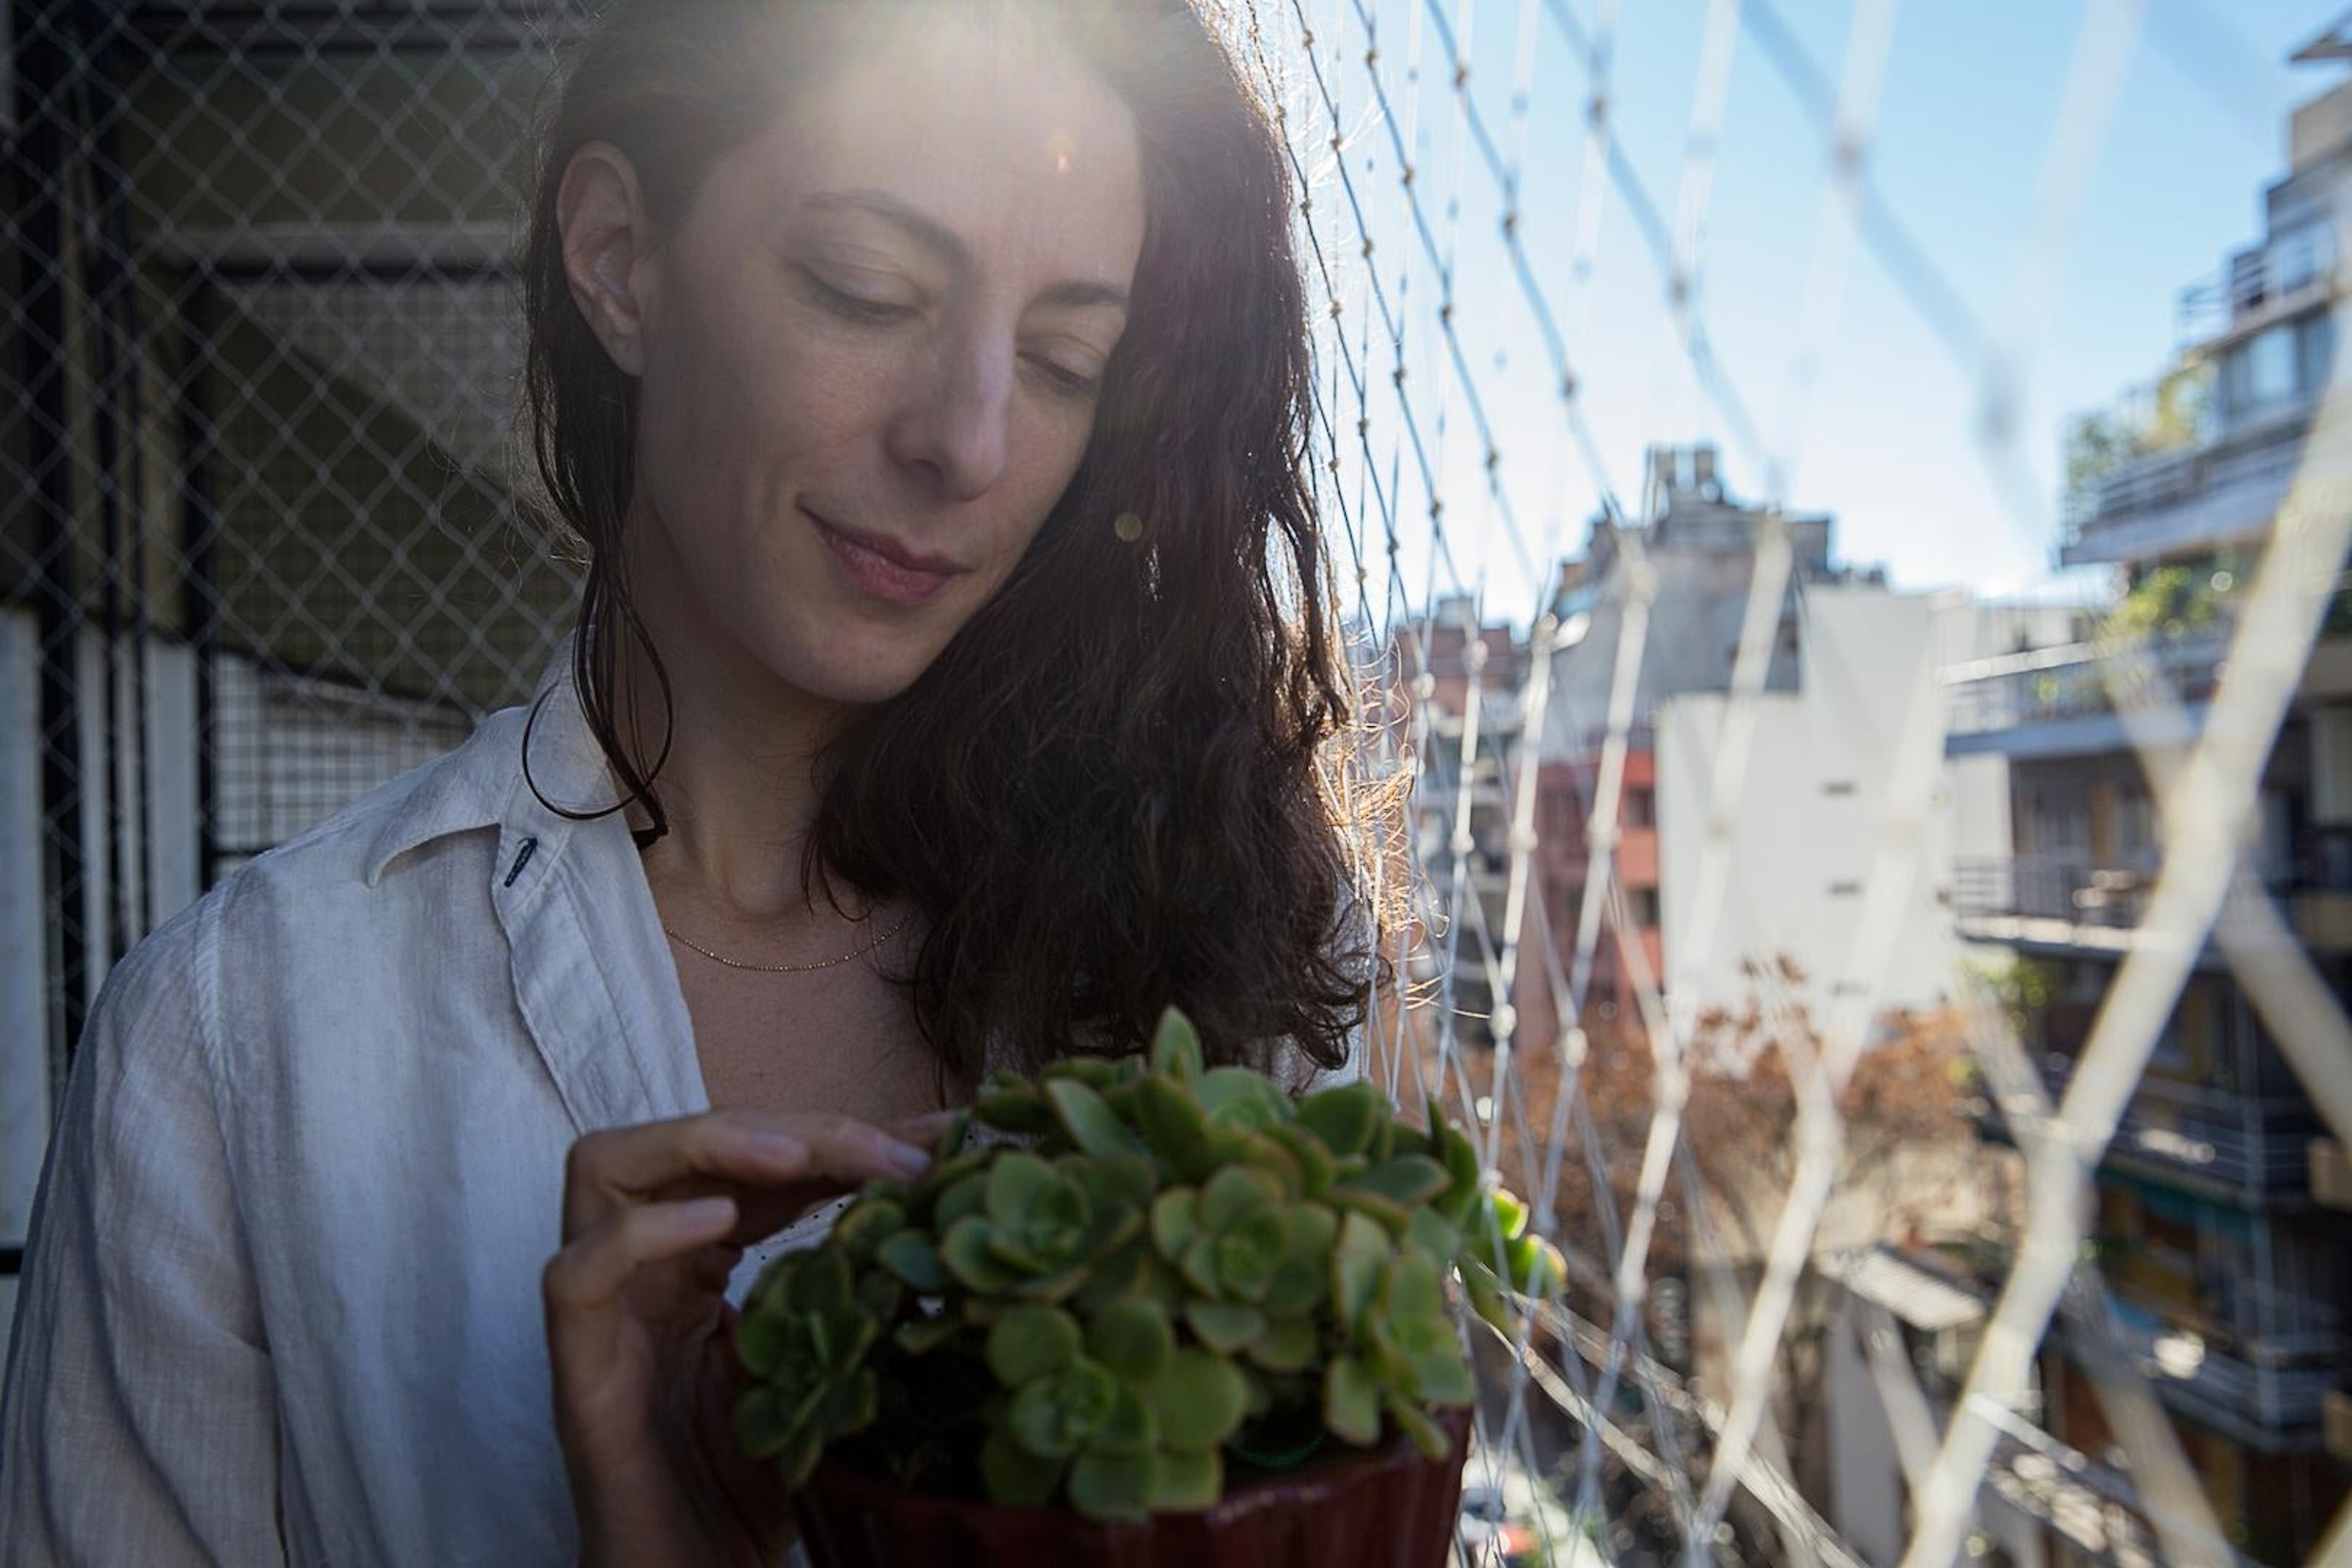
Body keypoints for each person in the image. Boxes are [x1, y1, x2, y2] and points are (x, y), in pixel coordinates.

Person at [0, 0, 1398, 1561]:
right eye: (865, 288)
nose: (971, 439)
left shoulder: (1237, 919)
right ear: (619, 258)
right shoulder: (230, 1050)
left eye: (1068, 358)